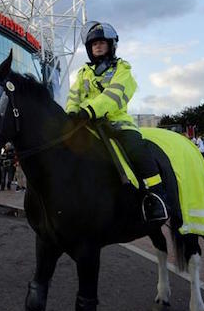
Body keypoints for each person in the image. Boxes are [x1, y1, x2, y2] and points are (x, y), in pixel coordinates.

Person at [65, 21, 167, 222]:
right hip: (87, 124)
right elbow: (73, 97)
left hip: (117, 123)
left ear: (111, 45)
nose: (98, 46)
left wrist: (89, 111)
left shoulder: (122, 68)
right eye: (94, 44)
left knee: (138, 151)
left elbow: (115, 95)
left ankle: (156, 198)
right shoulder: (82, 73)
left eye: (102, 43)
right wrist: (70, 114)